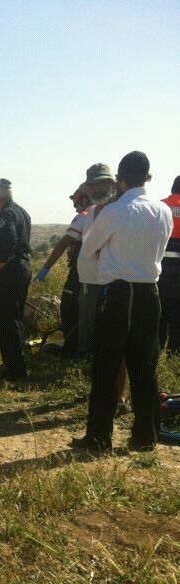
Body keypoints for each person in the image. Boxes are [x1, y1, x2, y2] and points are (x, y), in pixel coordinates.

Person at [72, 151, 173, 454]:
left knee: (106, 364)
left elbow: (88, 248)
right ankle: (145, 436)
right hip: (150, 292)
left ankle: (99, 437)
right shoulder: (163, 211)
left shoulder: (115, 211)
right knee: (145, 366)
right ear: (148, 177)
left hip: (117, 292)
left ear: (119, 179)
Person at [35, 187, 91, 357]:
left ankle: (72, 348)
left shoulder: (84, 217)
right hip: (96, 273)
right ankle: (84, 348)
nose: (74, 205)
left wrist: (46, 267)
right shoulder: (102, 215)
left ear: (85, 198)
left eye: (76, 200)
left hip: (79, 272)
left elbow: (63, 243)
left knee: (68, 306)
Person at [75, 165, 119, 356]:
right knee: (86, 321)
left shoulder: (119, 210)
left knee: (108, 324)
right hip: (88, 279)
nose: (96, 189)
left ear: (112, 184)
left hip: (111, 280)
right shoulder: (91, 211)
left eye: (101, 183)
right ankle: (85, 358)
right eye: (92, 185)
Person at [0, 179, 32, 380]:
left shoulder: (6, 214)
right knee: (15, 318)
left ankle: (13, 368)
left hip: (12, 268)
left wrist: (2, 260)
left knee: (6, 319)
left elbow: (8, 236)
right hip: (23, 267)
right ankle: (17, 363)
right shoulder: (22, 212)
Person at [159, 176, 180, 354]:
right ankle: (174, 352)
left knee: (160, 312)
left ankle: (156, 349)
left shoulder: (160, 206)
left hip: (159, 270)